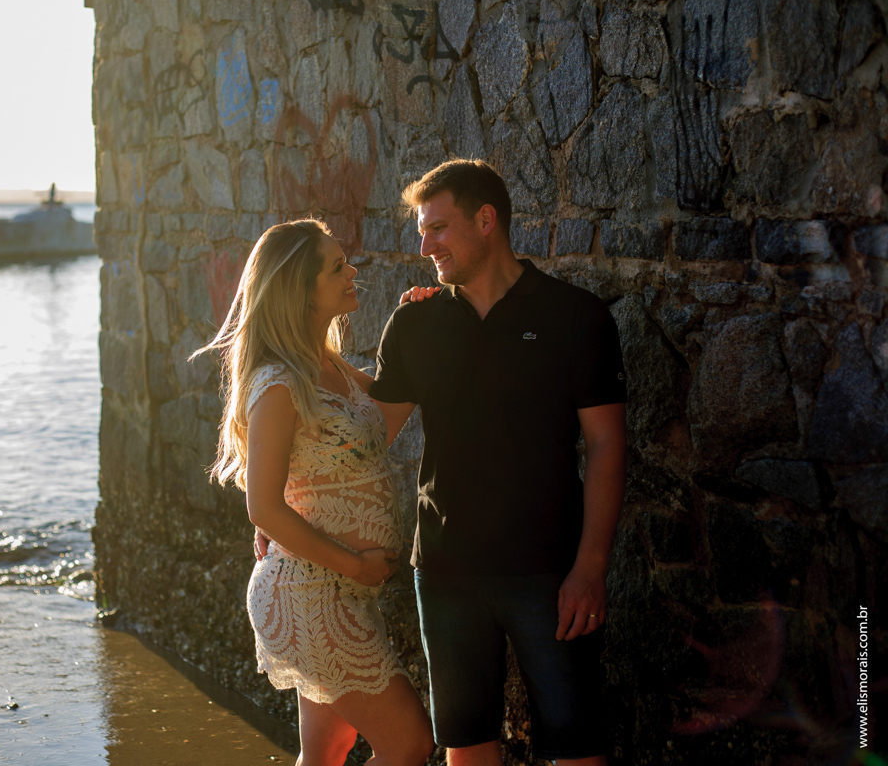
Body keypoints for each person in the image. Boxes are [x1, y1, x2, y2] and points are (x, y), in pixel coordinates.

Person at [371, 160, 628, 766]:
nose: (426, 247)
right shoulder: (414, 322)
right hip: (445, 573)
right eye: (422, 233)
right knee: (465, 747)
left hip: (551, 574)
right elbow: (363, 438)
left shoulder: (576, 317)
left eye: (438, 229)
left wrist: (590, 567)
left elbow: (607, 444)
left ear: (486, 220)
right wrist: (282, 504)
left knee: (577, 749)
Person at [193, 219, 434, 766]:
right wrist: (356, 565)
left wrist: (413, 327)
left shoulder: (327, 364)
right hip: (312, 596)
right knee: (409, 745)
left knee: (327, 751)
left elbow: (381, 424)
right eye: (336, 267)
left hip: (337, 594)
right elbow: (263, 507)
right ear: (301, 291)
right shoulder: (278, 383)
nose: (352, 272)